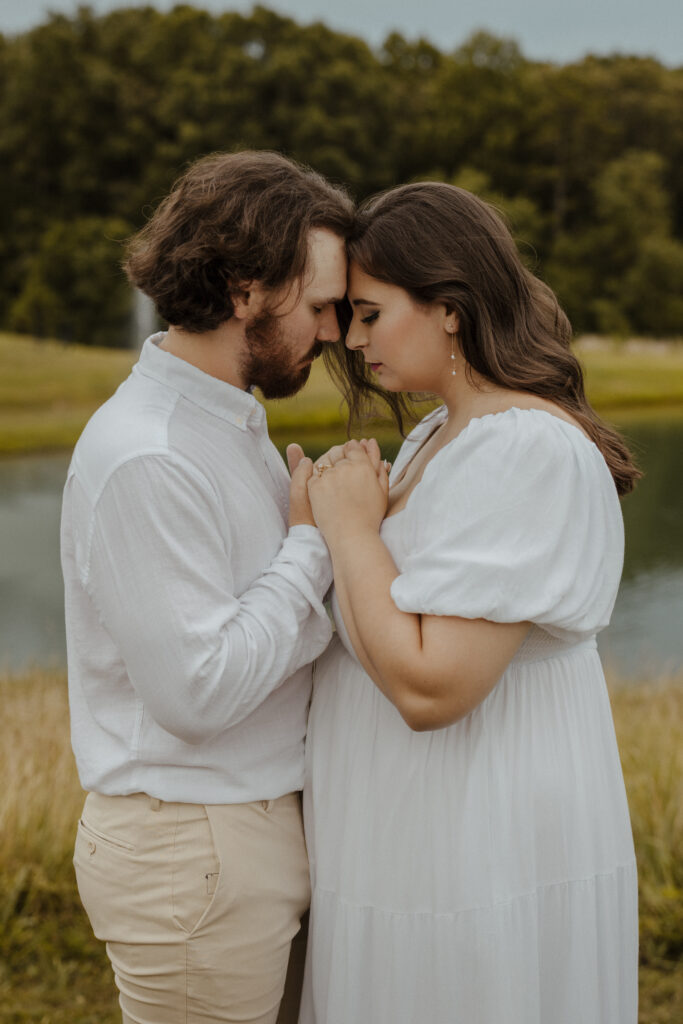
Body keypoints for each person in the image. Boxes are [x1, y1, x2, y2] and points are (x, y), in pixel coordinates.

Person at [298, 182, 640, 1024]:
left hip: (477, 841)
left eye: (372, 314)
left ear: (449, 308)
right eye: (347, 313)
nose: (349, 336)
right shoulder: (434, 436)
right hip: (410, 839)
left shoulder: (522, 447)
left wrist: (348, 533)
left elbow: (432, 687)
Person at [60, 149, 354, 1024]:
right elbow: (195, 690)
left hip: (237, 838)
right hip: (192, 851)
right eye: (318, 306)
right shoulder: (150, 454)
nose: (335, 332)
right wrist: (311, 546)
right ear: (241, 289)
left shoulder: (223, 420)